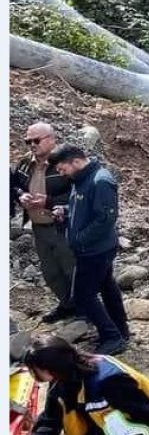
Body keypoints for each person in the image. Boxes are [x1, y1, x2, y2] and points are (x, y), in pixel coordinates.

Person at [46, 145, 129, 355]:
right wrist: (64, 211)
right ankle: (120, 329)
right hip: (92, 248)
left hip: (95, 250)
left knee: (83, 296)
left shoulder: (100, 180)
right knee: (108, 287)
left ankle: (112, 336)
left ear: (75, 162)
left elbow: (105, 219)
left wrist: (79, 241)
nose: (61, 174)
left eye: (63, 169)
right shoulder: (81, 179)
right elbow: (82, 209)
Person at [23, 335, 149, 435]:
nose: (34, 376)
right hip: (110, 422)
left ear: (53, 368)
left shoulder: (111, 381)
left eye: (35, 370)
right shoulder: (60, 381)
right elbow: (51, 419)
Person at [10, 123, 77, 323]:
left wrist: (48, 202)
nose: (32, 145)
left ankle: (87, 310)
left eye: (36, 140)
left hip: (63, 226)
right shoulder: (24, 163)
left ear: (52, 139)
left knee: (72, 270)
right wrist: (20, 196)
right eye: (28, 141)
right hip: (39, 227)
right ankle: (67, 305)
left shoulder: (64, 163)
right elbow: (14, 185)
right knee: (50, 272)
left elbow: (77, 195)